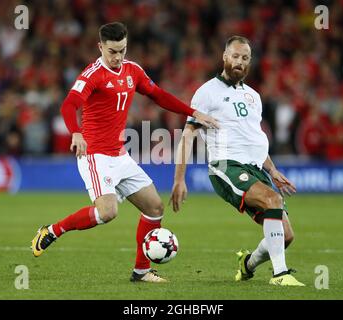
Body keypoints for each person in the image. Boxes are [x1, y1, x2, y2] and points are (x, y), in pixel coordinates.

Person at [31, 22, 218, 283]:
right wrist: (76, 132)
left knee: (154, 207)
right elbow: (69, 104)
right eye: (112, 51)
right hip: (95, 156)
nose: (118, 57)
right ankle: (53, 230)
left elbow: (159, 95)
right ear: (100, 47)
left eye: (122, 50)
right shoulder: (92, 74)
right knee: (107, 212)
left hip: (120, 155)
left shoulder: (133, 70)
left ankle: (141, 271)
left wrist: (193, 112)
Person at [170, 36, 305, 286]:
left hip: (255, 168)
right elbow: (188, 136)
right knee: (272, 200)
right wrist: (179, 179)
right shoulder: (207, 93)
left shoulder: (253, 96)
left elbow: (252, 138)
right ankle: (280, 275)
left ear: (249, 61)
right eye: (235, 56)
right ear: (224, 57)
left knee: (285, 236)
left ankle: (247, 264)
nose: (239, 62)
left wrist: (272, 169)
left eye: (244, 58)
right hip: (225, 166)